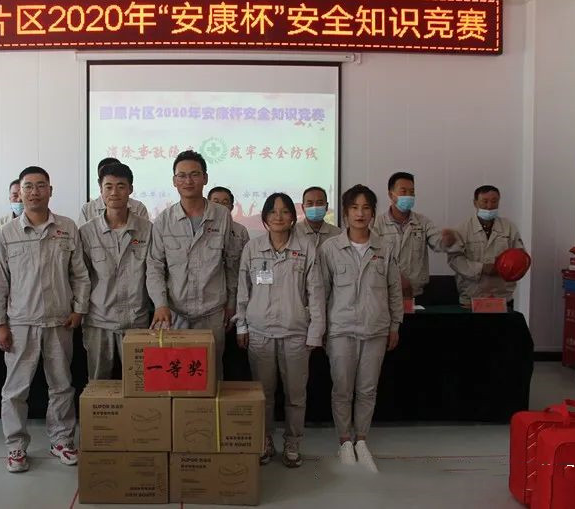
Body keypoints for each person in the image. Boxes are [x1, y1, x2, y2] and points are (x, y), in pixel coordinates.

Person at [0, 166, 90, 473]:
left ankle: (62, 440)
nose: (34, 192)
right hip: (21, 323)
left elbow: (80, 274)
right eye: (28, 186)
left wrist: (79, 309)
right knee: (16, 390)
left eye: (41, 185)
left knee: (62, 386)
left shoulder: (67, 228)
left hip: (60, 321)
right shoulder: (6, 232)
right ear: (19, 192)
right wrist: (0, 324)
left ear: (50, 190)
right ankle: (16, 446)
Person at [236, 193, 324, 468]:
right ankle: (264, 440)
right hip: (259, 333)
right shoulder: (253, 248)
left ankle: (293, 441)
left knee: (295, 395)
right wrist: (241, 325)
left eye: (285, 211)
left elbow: (316, 293)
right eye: (273, 212)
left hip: (295, 334)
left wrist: (315, 332)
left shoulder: (306, 249)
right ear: (264, 217)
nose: (278, 216)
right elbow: (243, 291)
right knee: (263, 395)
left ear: (293, 217)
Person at [318, 184, 403, 472]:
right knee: (342, 389)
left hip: (375, 330)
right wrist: (322, 329)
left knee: (367, 389)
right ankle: (344, 441)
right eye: (354, 207)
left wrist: (395, 325)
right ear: (345, 213)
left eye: (366, 208)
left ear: (373, 213)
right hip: (340, 330)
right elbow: (321, 293)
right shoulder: (330, 249)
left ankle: (362, 440)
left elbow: (394, 290)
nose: (360, 213)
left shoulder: (384, 248)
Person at [146, 150, 240, 380]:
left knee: (211, 376)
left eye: (195, 174)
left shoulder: (222, 216)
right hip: (175, 314)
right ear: (174, 181)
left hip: (212, 313)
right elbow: (155, 266)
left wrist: (231, 303)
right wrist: (160, 304)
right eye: (182, 175)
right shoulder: (164, 220)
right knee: (176, 375)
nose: (188, 181)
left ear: (205, 178)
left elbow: (231, 263)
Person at [80, 163, 152, 380]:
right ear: (100, 190)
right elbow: (80, 277)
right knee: (97, 383)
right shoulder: (87, 232)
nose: (114, 192)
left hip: (137, 320)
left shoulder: (147, 229)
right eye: (108, 186)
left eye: (121, 186)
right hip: (99, 321)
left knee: (139, 382)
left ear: (130, 189)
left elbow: (155, 272)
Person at [372, 172, 457, 299]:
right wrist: (398, 278)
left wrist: (446, 241)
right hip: (385, 294)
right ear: (391, 195)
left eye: (412, 192)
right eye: (403, 191)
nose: (409, 196)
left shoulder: (423, 222)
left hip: (416, 294)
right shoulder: (377, 224)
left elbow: (437, 242)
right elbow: (373, 258)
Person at [448, 185, 525, 307]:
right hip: (471, 297)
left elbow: (520, 256)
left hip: (502, 297)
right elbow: (454, 260)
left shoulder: (509, 227)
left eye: (494, 201)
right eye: (485, 201)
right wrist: (481, 268)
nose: (489, 206)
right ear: (475, 203)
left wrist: (507, 266)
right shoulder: (462, 229)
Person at [81, 157, 149, 222]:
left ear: (130, 189)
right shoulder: (87, 209)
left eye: (120, 187)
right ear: (100, 184)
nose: (114, 193)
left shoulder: (138, 207)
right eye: (109, 187)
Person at [208, 186, 250, 256]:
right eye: (216, 202)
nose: (220, 206)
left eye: (224, 203)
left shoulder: (241, 230)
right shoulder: (202, 227)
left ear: (231, 207)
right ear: (207, 205)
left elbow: (247, 257)